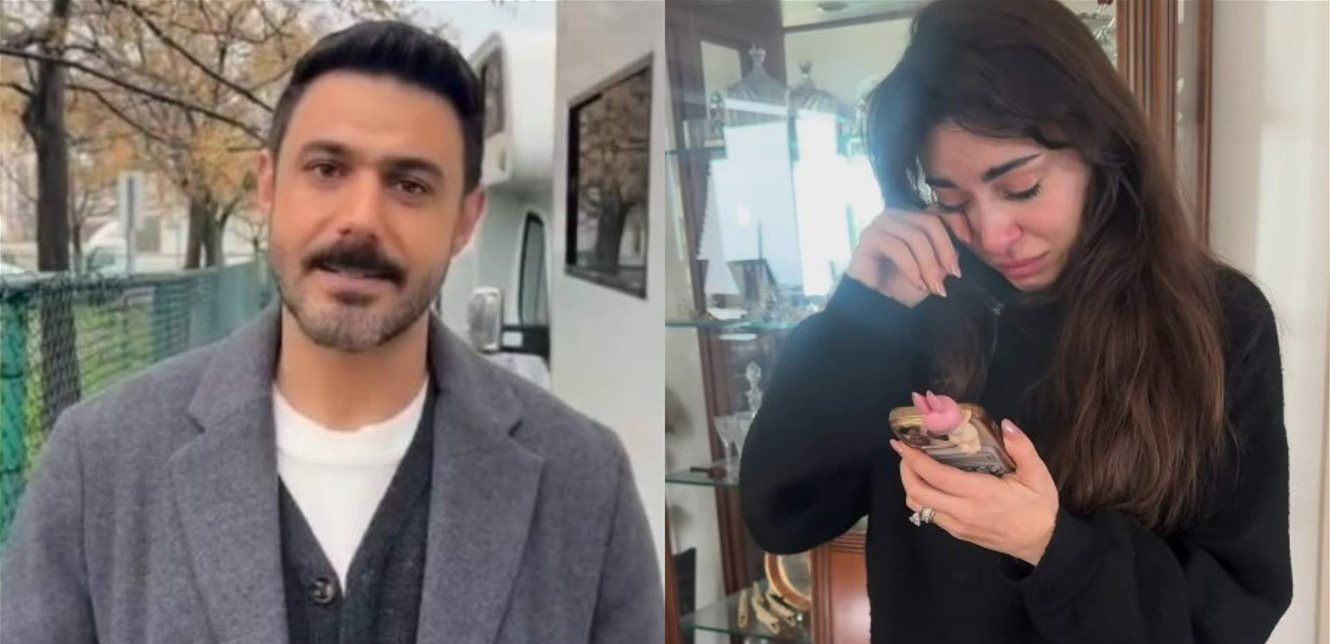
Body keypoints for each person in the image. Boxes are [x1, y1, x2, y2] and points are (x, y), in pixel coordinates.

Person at [0, 21, 662, 643]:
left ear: (465, 221)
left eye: (409, 184)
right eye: (327, 170)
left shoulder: (585, 483)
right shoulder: (100, 465)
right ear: (268, 187)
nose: (361, 219)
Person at [739, 1, 1292, 642]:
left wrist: (1051, 546)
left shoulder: (1220, 321)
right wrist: (856, 318)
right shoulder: (920, 304)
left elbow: (1234, 612)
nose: (992, 235)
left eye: (1022, 188)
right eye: (952, 200)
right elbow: (783, 514)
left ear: (1102, 148)